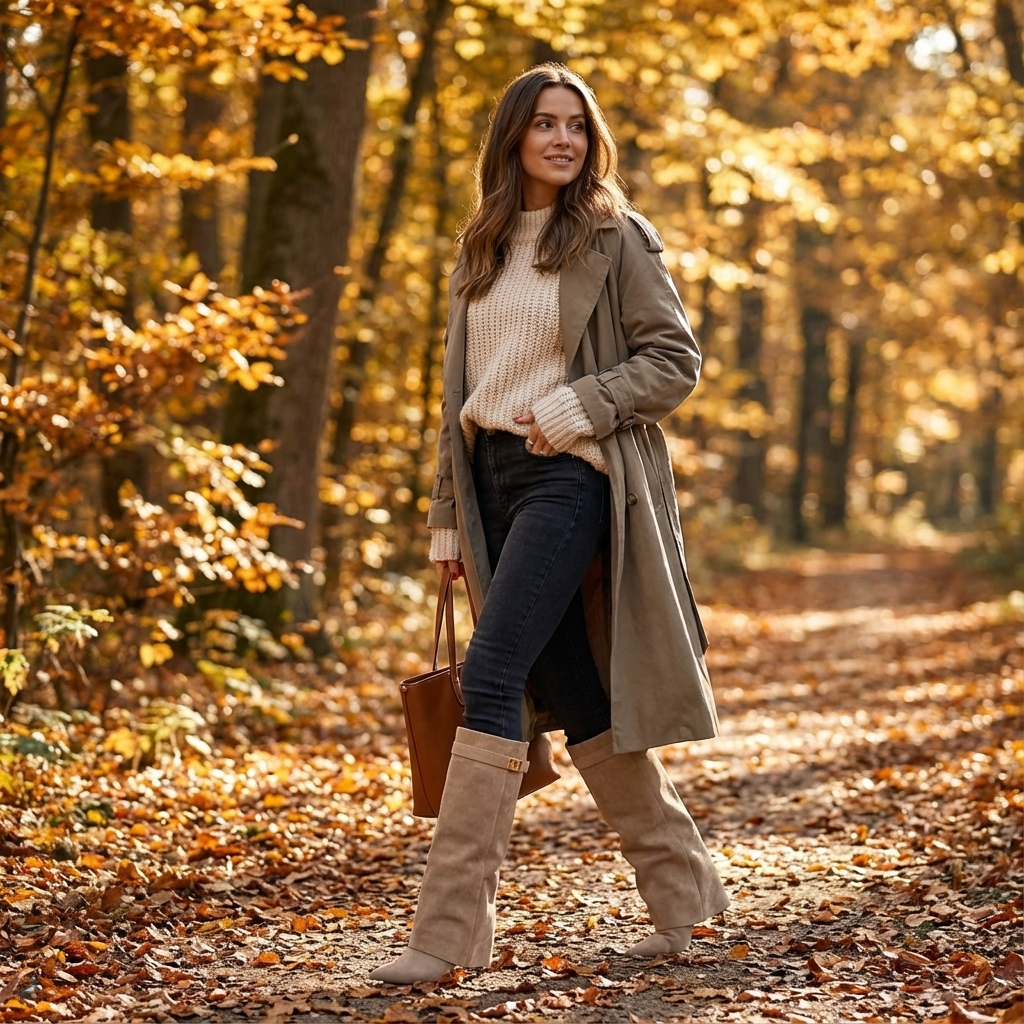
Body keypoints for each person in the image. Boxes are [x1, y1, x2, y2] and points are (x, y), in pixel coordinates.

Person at [369, 64, 729, 985]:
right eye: (544, 124)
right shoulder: (482, 245)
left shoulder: (616, 236)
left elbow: (674, 361)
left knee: (492, 674)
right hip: (488, 483)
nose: (563, 139)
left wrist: (584, 405)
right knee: (574, 691)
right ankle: (687, 893)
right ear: (514, 138)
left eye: (576, 124)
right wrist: (449, 516)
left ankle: (450, 932)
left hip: (571, 476)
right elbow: (458, 394)